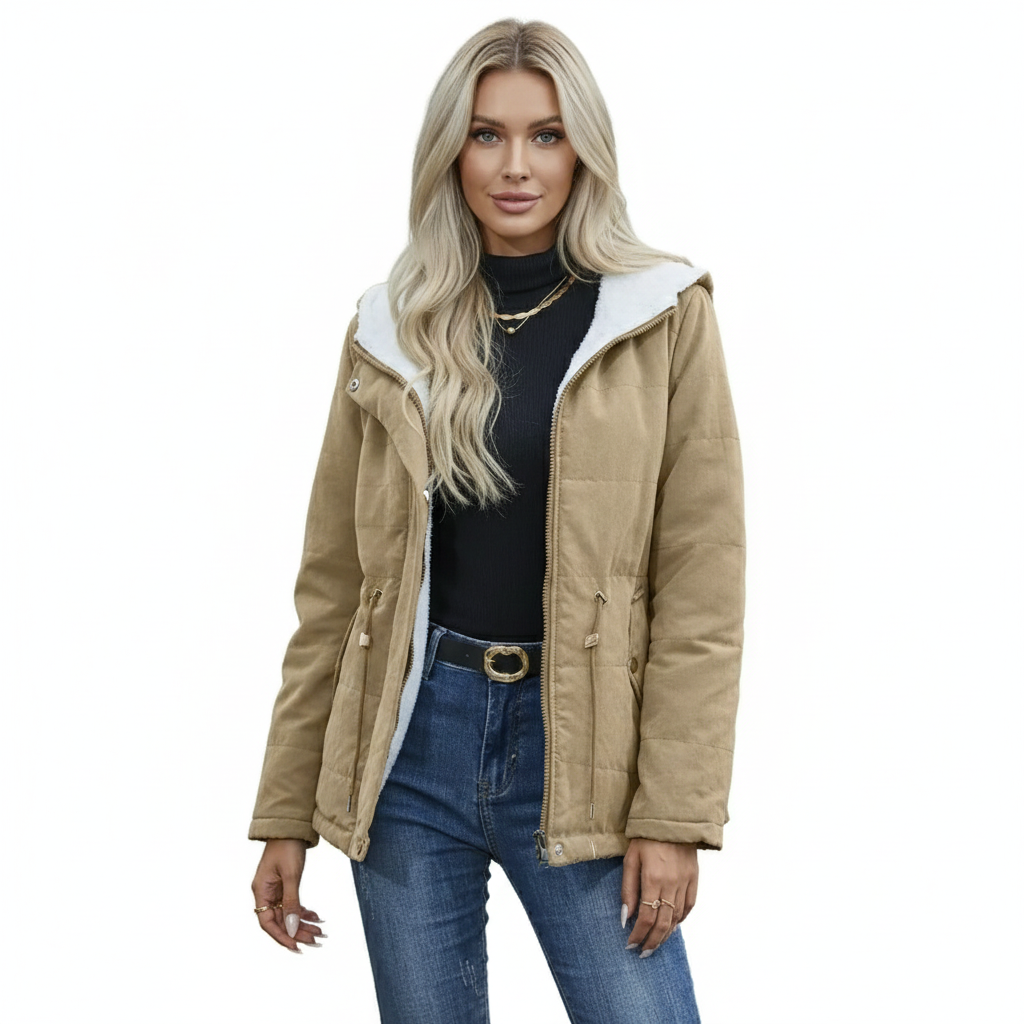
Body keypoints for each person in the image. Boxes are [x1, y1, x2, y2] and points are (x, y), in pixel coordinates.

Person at [248, 17, 745, 1024]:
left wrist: (673, 813)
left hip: (585, 752)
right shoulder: (389, 326)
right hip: (408, 749)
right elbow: (335, 587)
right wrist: (287, 806)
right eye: (487, 134)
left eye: (546, 135)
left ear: (584, 151)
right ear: (451, 152)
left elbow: (703, 585)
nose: (516, 165)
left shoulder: (660, 313)